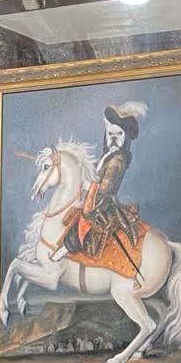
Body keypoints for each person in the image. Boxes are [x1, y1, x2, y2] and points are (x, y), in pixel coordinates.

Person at [51, 102, 149, 286]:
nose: (113, 138)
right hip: (95, 195)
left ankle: (65, 249)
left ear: (125, 137)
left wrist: (88, 184)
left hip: (103, 201)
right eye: (110, 134)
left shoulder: (118, 160)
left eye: (118, 134)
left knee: (86, 219)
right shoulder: (108, 155)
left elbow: (105, 189)